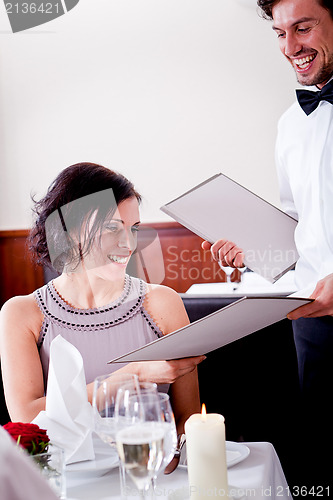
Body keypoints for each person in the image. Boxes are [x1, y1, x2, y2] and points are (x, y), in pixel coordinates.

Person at [203, 0, 333, 491]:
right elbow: (300, 229)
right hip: (314, 323)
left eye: (303, 28)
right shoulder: (290, 126)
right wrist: (255, 252)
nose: (291, 47)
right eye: (280, 33)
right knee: (320, 458)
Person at [0, 162, 204, 433]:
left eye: (133, 229)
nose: (129, 244)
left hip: (151, 469)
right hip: (66, 474)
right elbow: (27, 417)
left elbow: (187, 421)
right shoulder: (22, 313)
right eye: (111, 228)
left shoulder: (162, 304)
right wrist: (134, 376)